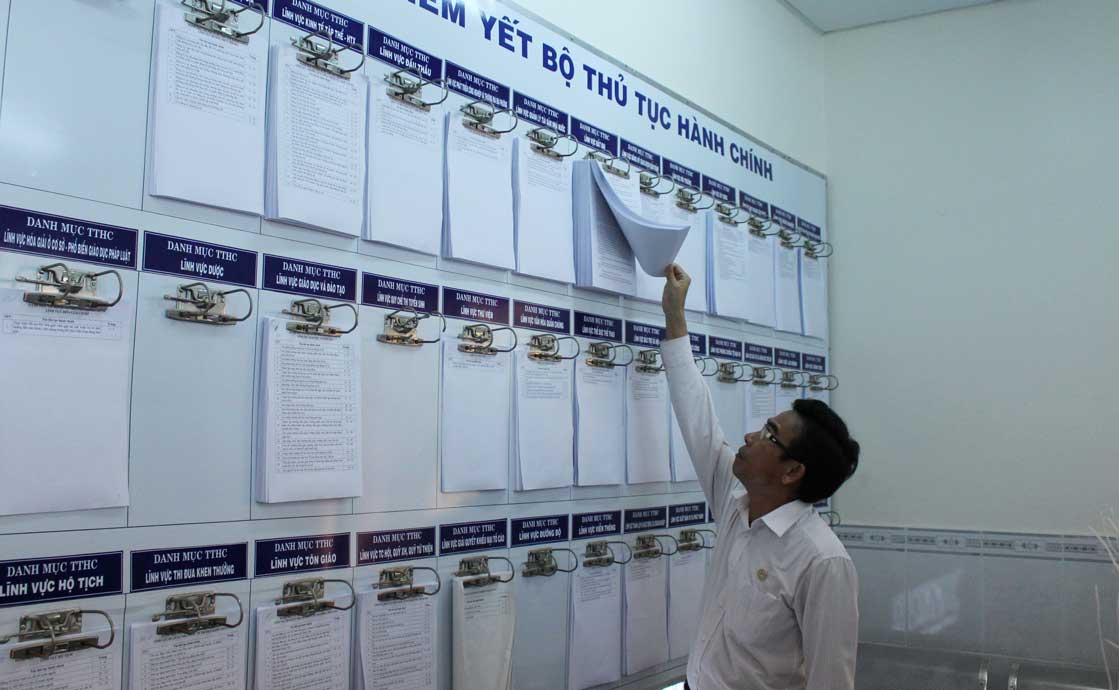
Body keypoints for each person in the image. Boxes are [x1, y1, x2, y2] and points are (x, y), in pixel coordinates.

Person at [660, 263, 860, 690]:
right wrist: (675, 315)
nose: (751, 436)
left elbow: (831, 681)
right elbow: (697, 418)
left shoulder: (822, 561)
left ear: (792, 471)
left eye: (770, 434)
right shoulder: (737, 504)